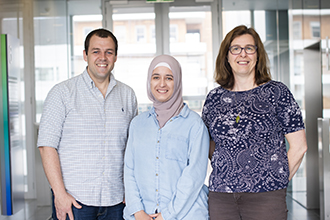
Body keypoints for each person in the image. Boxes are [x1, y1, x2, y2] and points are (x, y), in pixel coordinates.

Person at [202, 25, 308, 220]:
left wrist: (277, 181)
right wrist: (228, 167)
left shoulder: (277, 93)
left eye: (249, 48)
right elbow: (209, 144)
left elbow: (299, 146)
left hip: (266, 197)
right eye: (236, 48)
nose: (243, 54)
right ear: (227, 55)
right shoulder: (214, 99)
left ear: (258, 55)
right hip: (221, 197)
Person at [37, 28, 138, 220]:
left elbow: (131, 148)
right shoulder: (62, 93)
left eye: (109, 52)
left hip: (117, 201)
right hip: (75, 202)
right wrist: (60, 194)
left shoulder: (128, 95)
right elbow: (46, 146)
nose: (103, 57)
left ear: (115, 57)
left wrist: (130, 190)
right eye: (95, 51)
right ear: (85, 55)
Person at [123, 54, 210, 220]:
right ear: (149, 81)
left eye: (169, 78)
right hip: (142, 215)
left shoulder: (195, 125)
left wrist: (168, 215)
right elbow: (129, 170)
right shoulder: (137, 124)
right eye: (156, 77)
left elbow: (194, 175)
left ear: (177, 82)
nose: (162, 84)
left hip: (186, 215)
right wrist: (137, 211)